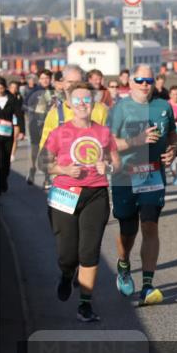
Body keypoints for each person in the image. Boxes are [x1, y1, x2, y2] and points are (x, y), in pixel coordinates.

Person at [42, 81, 121, 321]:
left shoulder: (104, 133)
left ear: (93, 102)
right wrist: (64, 169)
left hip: (95, 194)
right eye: (77, 100)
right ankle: (67, 274)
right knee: (67, 254)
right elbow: (44, 163)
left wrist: (107, 166)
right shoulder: (59, 132)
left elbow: (117, 163)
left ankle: (84, 305)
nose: (82, 104)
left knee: (89, 251)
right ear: (69, 103)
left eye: (87, 99)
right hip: (64, 194)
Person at [108, 64, 177, 305]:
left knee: (150, 225)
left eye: (149, 80)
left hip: (153, 175)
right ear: (131, 82)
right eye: (140, 80)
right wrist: (137, 140)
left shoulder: (163, 107)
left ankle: (148, 285)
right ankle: (124, 264)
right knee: (128, 231)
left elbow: (172, 135)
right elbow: (109, 143)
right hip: (125, 177)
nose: (145, 85)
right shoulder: (119, 108)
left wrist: (173, 150)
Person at [38, 65, 109, 150]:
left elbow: (110, 145)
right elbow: (45, 151)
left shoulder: (100, 110)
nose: (73, 86)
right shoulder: (54, 114)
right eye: (70, 82)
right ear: (63, 83)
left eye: (77, 82)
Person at [25, 69, 54, 185]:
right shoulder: (33, 92)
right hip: (36, 125)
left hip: (50, 126)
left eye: (47, 78)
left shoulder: (54, 92)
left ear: (50, 79)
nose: (45, 80)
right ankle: (32, 169)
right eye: (42, 78)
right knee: (35, 150)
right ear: (39, 79)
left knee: (49, 151)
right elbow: (25, 107)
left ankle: (47, 177)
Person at [0, 77, 25, 194]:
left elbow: (19, 115)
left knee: (6, 159)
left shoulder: (12, 99)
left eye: (1, 88)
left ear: (5, 88)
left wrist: (22, 131)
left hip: (8, 133)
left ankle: (3, 180)